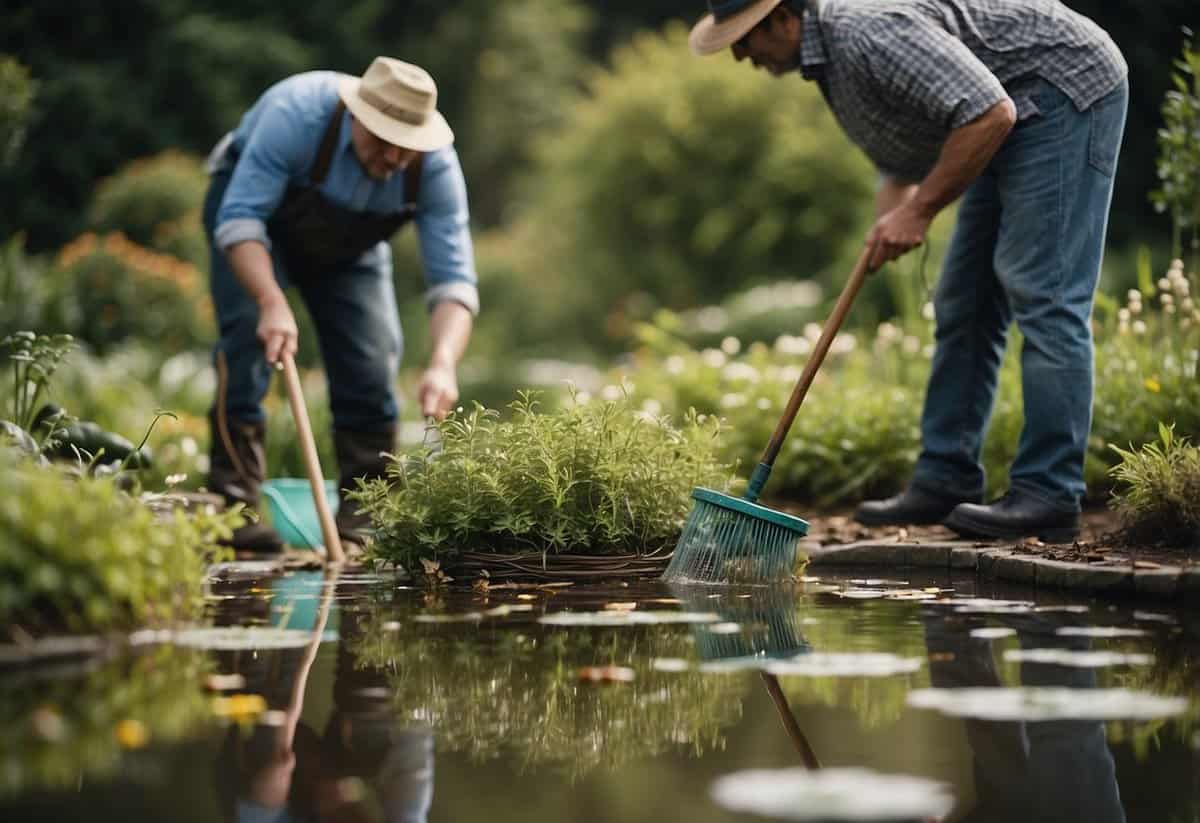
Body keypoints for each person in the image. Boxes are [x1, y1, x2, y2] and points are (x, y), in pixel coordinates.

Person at [688, 0, 1128, 542]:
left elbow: (990, 112)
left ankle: (1049, 494)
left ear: (783, 18)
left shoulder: (865, 33)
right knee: (963, 301)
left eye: (744, 37)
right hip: (1008, 111)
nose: (737, 54)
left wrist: (919, 211)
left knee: (1044, 294)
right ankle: (946, 478)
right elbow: (901, 152)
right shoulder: (831, 64)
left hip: (1059, 89)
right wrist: (890, 221)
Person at [202, 57, 479, 552]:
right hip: (253, 226)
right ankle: (233, 512)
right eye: (382, 139)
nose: (394, 156)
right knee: (247, 338)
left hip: (353, 246)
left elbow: (455, 282)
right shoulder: (295, 115)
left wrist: (442, 364)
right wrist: (271, 300)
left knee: (372, 363)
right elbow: (240, 220)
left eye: (407, 146)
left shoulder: (436, 168)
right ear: (355, 115)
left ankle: (364, 522)